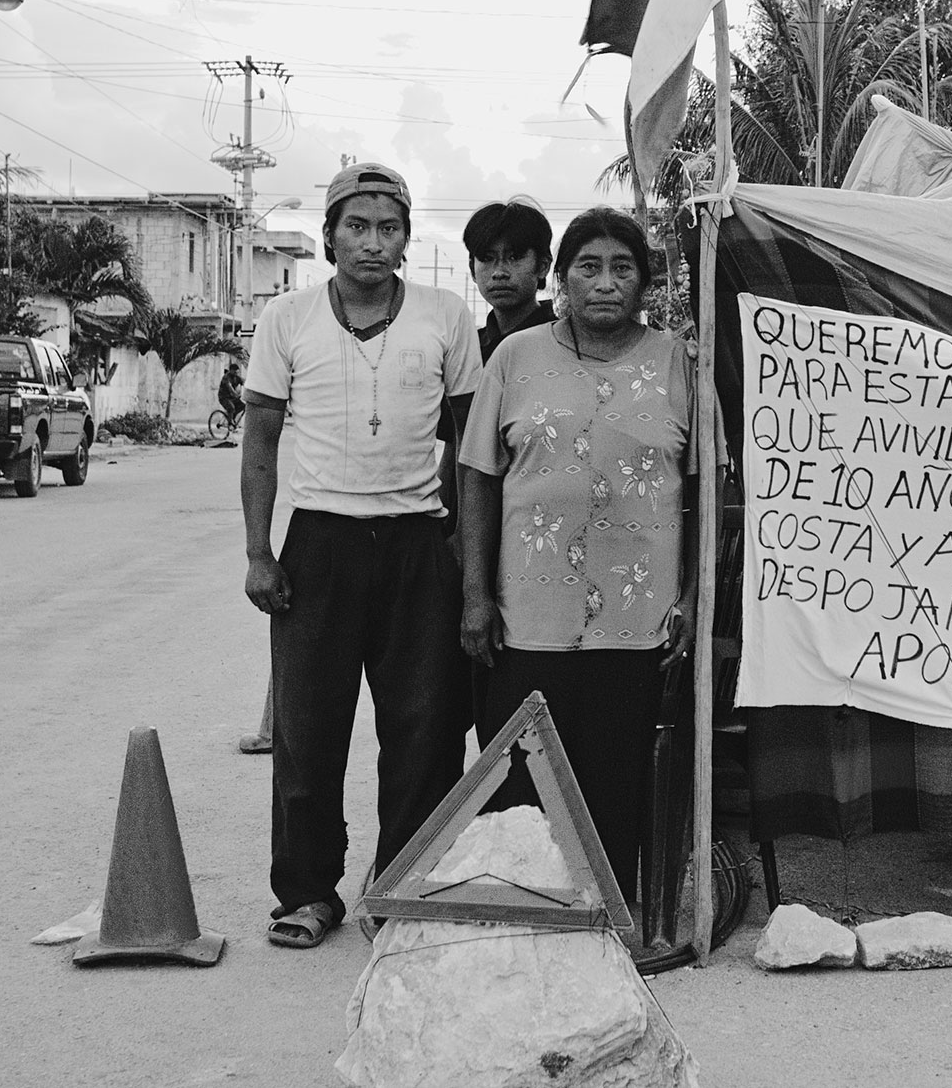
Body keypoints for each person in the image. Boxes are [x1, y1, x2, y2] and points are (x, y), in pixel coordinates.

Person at [238, 161, 482, 949]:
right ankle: (308, 892)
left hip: (418, 541)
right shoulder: (288, 318)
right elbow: (262, 441)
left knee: (423, 730)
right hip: (320, 541)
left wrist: (461, 551)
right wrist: (259, 551)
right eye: (357, 226)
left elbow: (471, 447)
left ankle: (399, 888)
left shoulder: (447, 317)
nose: (372, 243)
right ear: (329, 236)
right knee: (309, 731)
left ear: (408, 240)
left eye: (388, 228)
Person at [457, 206, 696, 905]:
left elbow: (705, 492)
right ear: (560, 279)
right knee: (522, 782)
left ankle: (610, 921)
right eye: (587, 266)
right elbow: (477, 475)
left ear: (647, 283)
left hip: (639, 620)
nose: (605, 282)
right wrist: (475, 595)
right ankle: (527, 911)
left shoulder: (679, 363)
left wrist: (689, 594)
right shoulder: (515, 357)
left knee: (617, 778)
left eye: (623, 268)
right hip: (527, 613)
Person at [462, 195, 556, 360]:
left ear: (543, 266)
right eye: (487, 258)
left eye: (514, 257)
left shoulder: (565, 342)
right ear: (472, 269)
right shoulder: (468, 350)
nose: (499, 272)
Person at [217, 360, 245, 426]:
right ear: (230, 371)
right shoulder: (226, 377)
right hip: (223, 397)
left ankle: (232, 417)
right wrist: (236, 394)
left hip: (232, 398)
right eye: (235, 372)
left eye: (237, 372)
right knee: (231, 407)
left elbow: (245, 382)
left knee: (243, 406)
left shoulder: (237, 377)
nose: (236, 373)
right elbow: (230, 388)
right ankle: (230, 422)